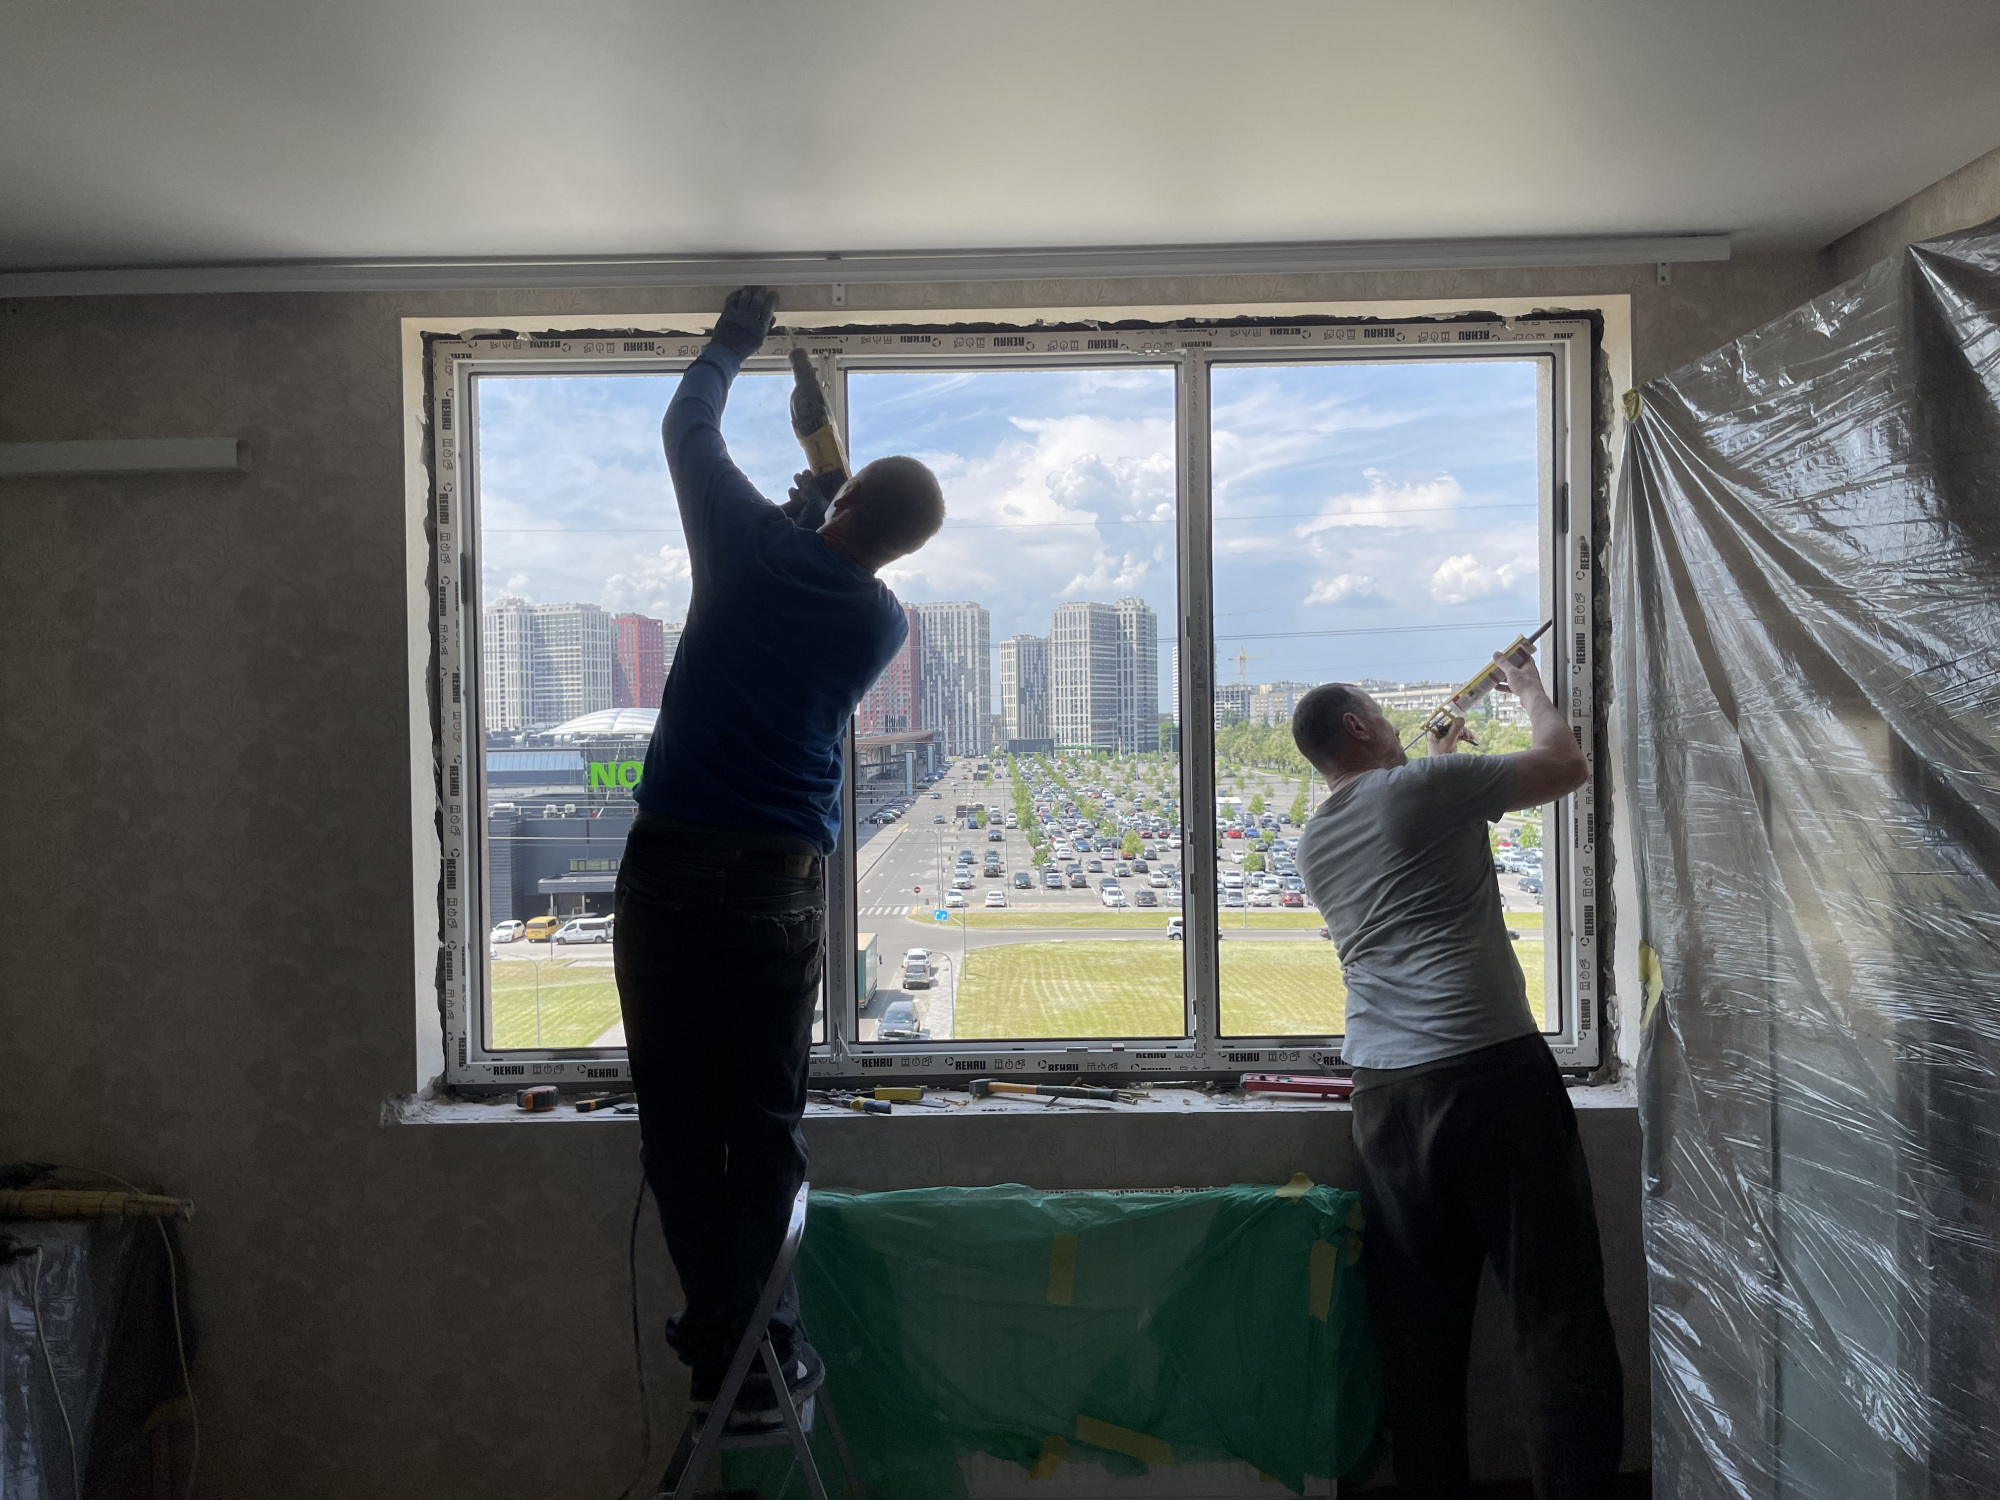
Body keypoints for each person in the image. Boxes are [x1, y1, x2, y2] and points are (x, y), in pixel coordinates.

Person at [613, 286, 945, 1430]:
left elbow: (686, 429)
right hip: (774, 884)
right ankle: (765, 1354)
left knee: (676, 1122)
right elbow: (846, 549)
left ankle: (720, 1352)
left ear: (837, 500)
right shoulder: (880, 624)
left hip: (669, 866)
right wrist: (821, 488)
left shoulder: (748, 545)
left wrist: (733, 342)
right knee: (758, 1125)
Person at [1290, 654, 1623, 1500]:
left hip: (1386, 1099)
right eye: (1380, 711)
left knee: (1421, 1334)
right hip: (1487, 1073)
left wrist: (1436, 756)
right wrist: (1530, 689)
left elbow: (1413, 844)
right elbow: (1565, 766)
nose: (1393, 724)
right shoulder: (1418, 791)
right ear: (1358, 726)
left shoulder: (1316, 840)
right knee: (1555, 1315)